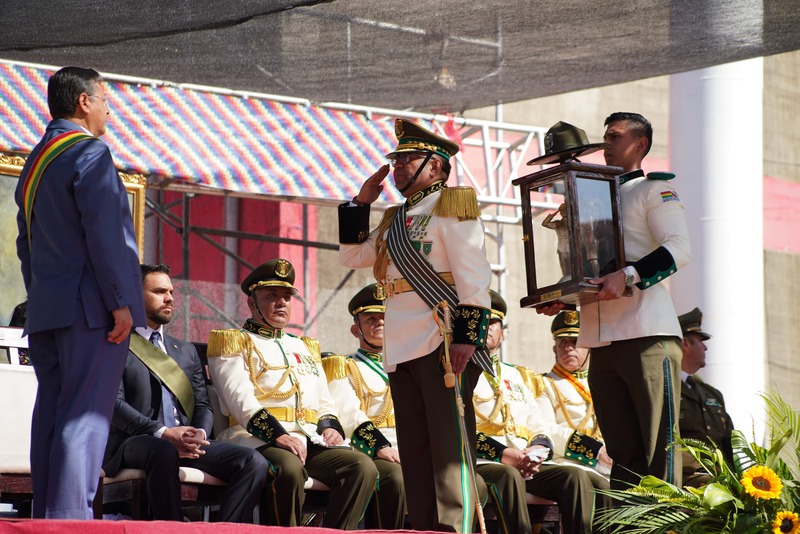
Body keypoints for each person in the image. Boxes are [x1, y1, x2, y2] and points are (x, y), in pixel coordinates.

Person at [339, 118, 493, 532]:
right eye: (398, 158)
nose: (400, 165)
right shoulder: (392, 218)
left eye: (410, 158)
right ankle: (424, 526)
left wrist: (467, 338)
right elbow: (352, 258)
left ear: (438, 166)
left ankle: (453, 528)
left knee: (448, 452)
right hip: (401, 345)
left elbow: (475, 278)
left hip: (440, 340)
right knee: (417, 451)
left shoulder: (451, 205)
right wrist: (360, 202)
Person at [14, 66, 145, 519]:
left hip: (48, 310)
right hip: (92, 311)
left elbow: (25, 244)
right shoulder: (90, 153)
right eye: (106, 98)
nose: (110, 108)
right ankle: (70, 522)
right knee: (85, 420)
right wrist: (121, 303)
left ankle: (47, 519)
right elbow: (106, 235)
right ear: (84, 102)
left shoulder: (34, 161)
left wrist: (44, 295)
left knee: (51, 417)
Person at [540, 113, 691, 490]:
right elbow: (591, 269)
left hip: (646, 334)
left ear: (640, 145)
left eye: (615, 136)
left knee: (659, 452)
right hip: (602, 340)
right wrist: (564, 297)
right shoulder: (593, 196)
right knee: (623, 456)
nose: (606, 143)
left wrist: (628, 276)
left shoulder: (652, 190)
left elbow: (679, 249)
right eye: (604, 136)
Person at [206, 259, 377, 529]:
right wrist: (280, 435)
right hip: (256, 439)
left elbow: (324, 401)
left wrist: (331, 426)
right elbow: (239, 400)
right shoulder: (233, 341)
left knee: (360, 466)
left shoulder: (304, 346)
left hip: (308, 438)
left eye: (286, 296)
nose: (281, 302)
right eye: (272, 296)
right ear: (251, 303)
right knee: (288, 467)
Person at [102, 264, 268, 522]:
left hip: (187, 442)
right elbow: (114, 404)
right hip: (134, 441)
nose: (169, 298)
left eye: (171, 291)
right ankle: (172, 527)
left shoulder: (185, 349)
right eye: (159, 291)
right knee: (163, 450)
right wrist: (164, 433)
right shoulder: (116, 343)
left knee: (253, 462)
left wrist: (199, 434)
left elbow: (203, 405)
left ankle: (225, 530)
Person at [474, 291, 610, 534]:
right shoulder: (457, 374)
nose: (488, 328)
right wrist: (506, 454)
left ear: (502, 333)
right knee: (509, 476)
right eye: (563, 343)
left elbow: (538, 424)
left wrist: (537, 449)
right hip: (488, 460)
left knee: (575, 478)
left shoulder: (518, 376)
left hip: (528, 461)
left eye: (493, 322)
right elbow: (458, 429)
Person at [321, 284, 405, 529]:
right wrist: (380, 446)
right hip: (368, 451)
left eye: (384, 318)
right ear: (355, 329)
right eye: (370, 319)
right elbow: (349, 414)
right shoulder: (342, 366)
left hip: (406, 449)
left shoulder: (407, 369)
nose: (379, 323)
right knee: (395, 477)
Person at [539, 311, 612, 477]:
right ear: (554, 349)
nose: (568, 348)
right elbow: (547, 429)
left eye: (575, 341)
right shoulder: (543, 383)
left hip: (609, 462)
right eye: (562, 342)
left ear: (589, 347)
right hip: (569, 463)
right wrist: (594, 451)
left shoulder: (605, 383)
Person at [677, 307, 733, 487]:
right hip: (687, 480)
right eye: (701, 340)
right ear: (685, 344)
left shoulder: (712, 394)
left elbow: (730, 442)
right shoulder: (664, 391)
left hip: (720, 479)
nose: (706, 346)